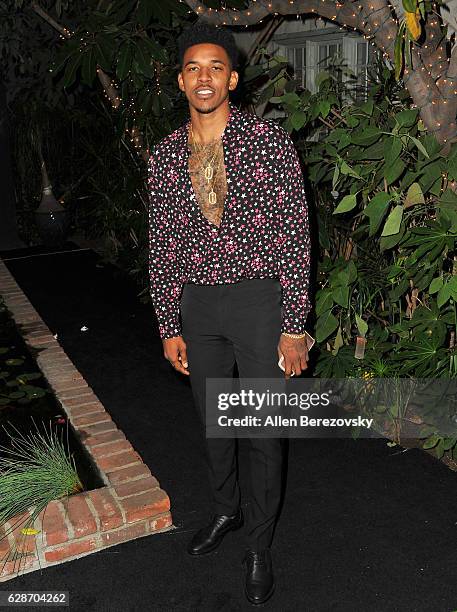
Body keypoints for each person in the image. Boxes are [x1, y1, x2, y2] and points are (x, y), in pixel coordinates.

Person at [147, 20, 312, 606]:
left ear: (233, 78)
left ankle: (261, 544)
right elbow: (162, 243)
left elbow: (295, 233)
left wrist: (295, 323)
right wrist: (170, 324)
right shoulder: (165, 156)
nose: (204, 77)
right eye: (193, 68)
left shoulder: (268, 142)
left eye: (216, 66)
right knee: (217, 423)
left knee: (264, 430)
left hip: (260, 301)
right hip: (197, 301)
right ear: (181, 81)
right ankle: (226, 512)